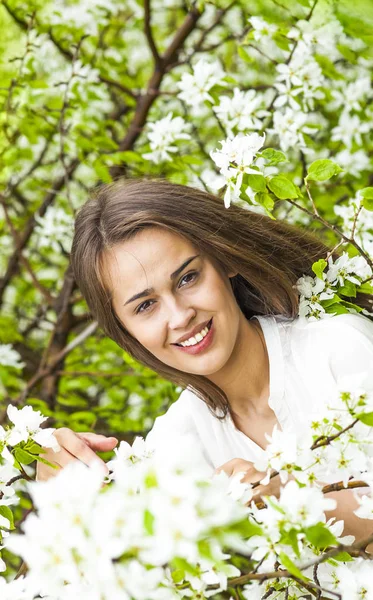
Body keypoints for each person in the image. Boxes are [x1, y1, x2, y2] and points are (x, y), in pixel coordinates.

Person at [36, 179, 373, 546]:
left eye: (187, 278)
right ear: (125, 331)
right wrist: (63, 498)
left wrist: (287, 495)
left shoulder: (339, 349)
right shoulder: (174, 445)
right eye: (145, 306)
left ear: (224, 259)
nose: (180, 316)